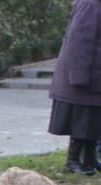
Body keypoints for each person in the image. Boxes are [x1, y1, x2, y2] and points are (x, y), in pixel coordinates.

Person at [48, 0, 101, 175]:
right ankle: (73, 161)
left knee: (93, 119)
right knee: (81, 119)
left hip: (94, 73)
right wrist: (78, 73)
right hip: (83, 72)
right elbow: (80, 39)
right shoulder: (91, 3)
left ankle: (89, 161)